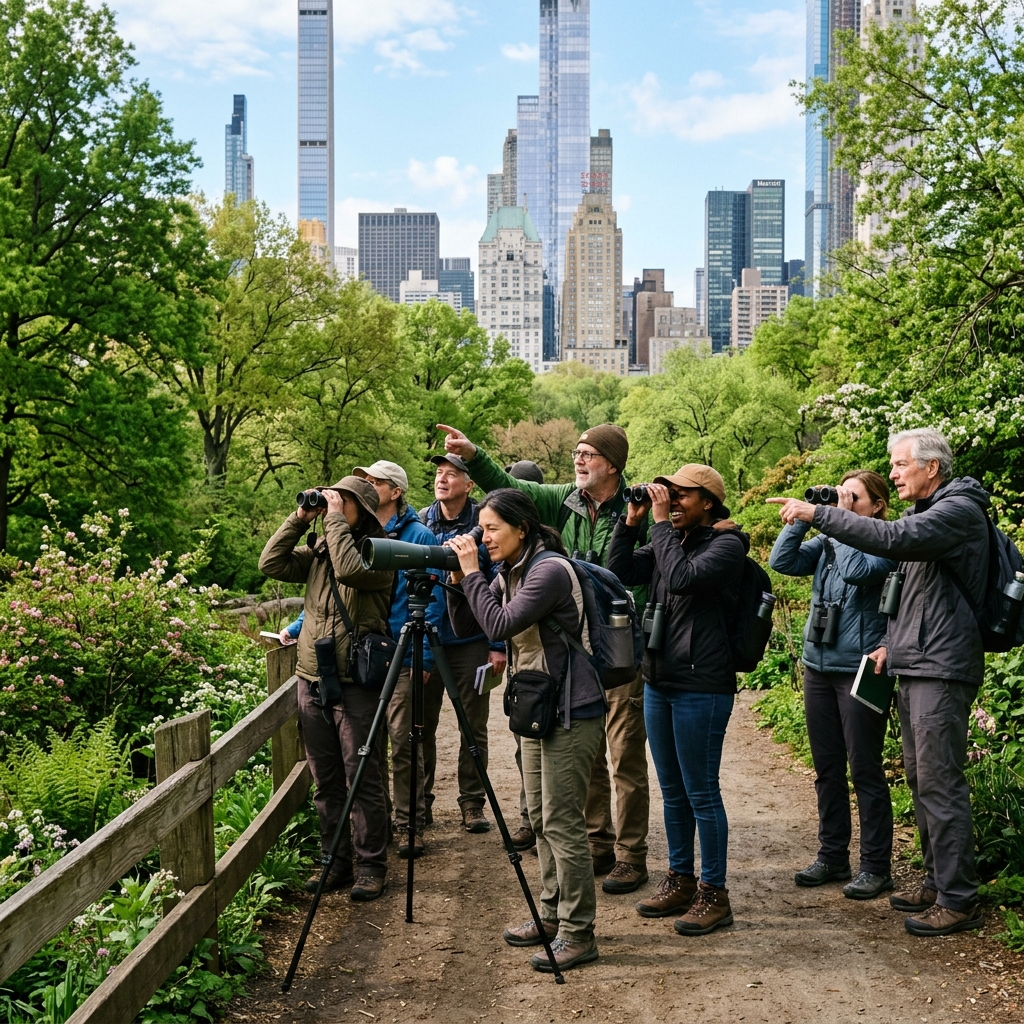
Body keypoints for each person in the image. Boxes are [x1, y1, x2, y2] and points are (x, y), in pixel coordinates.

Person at [768, 428, 990, 938]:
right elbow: (906, 593)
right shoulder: (924, 513)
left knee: (939, 781)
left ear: (930, 467)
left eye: (899, 464)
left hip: (941, 662)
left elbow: (891, 542)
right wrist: (891, 641)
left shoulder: (956, 511)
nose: (892, 471)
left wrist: (822, 514)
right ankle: (936, 882)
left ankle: (959, 898)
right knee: (919, 778)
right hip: (912, 659)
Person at [437, 422, 651, 895]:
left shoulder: (636, 508)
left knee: (624, 756)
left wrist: (645, 514)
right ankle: (597, 842)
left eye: (588, 454)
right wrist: (473, 455)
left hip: (614, 649)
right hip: (568, 655)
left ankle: (631, 855)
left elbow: (655, 562)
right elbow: (512, 490)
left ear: (612, 464)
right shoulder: (564, 500)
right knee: (585, 759)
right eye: (576, 452)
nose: (578, 460)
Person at [447, 489, 605, 973]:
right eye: (482, 528)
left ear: (522, 528)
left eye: (492, 527)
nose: (484, 536)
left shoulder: (549, 570)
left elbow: (500, 621)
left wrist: (473, 573)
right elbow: (468, 624)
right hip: (539, 705)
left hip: (571, 708)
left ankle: (579, 934)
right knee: (538, 817)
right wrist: (458, 580)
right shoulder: (511, 571)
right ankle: (553, 915)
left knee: (561, 821)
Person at [607, 465, 747, 936]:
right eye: (670, 494)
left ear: (708, 501)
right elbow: (620, 571)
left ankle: (715, 893)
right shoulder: (674, 540)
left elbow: (685, 579)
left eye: (682, 495)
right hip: (659, 680)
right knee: (672, 792)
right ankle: (681, 879)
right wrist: (631, 522)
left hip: (702, 685)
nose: (673, 501)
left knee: (702, 793)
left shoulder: (727, 545)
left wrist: (662, 523)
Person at [258, 477, 394, 902]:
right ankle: (334, 861)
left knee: (362, 776)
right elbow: (271, 564)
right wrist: (300, 519)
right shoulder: (320, 550)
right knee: (326, 780)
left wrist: (333, 520)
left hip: (355, 681)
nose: (333, 503)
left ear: (364, 510)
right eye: (333, 497)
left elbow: (351, 570)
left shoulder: (381, 551)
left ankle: (371, 865)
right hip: (312, 677)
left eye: (344, 499)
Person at [769, 471, 898, 899]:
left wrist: (837, 520)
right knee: (827, 767)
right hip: (818, 666)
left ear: (876, 505)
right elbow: (782, 563)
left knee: (864, 768)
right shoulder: (827, 540)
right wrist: (805, 518)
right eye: (841, 495)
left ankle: (876, 866)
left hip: (860, 669)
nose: (844, 502)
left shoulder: (885, 540)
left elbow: (861, 572)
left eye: (853, 497)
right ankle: (832, 856)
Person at [352, 460, 444, 860]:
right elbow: (342, 587)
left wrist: (422, 658)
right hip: (364, 653)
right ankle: (379, 821)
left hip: (403, 653)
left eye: (377, 482)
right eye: (365, 481)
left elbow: (432, 600)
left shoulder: (419, 534)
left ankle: (411, 824)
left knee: (405, 741)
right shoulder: (359, 531)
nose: (368, 486)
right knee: (368, 745)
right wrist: (298, 626)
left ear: (396, 492)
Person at [419, 454, 507, 834]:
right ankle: (418, 808)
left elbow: (501, 586)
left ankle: (472, 803)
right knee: (418, 726)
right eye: (439, 473)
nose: (443, 479)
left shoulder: (484, 525)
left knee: (473, 726)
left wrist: (496, 643)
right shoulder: (420, 521)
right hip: (425, 638)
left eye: (452, 474)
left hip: (471, 639)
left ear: (469, 485)